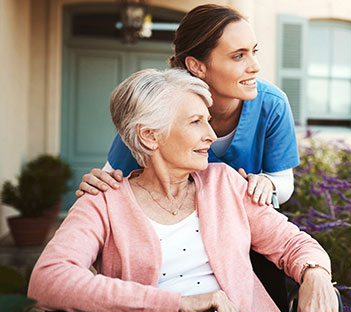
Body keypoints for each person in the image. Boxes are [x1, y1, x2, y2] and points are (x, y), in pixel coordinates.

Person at [28, 69, 340, 312]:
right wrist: (176, 304)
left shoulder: (225, 184)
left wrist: (315, 275)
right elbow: (49, 280)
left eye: (208, 120)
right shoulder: (103, 200)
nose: (210, 134)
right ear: (150, 136)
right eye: (196, 122)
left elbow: (294, 244)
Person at [77, 4, 298, 207]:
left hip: (240, 233)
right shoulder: (157, 104)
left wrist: (269, 183)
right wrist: (98, 183)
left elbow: (283, 181)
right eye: (238, 56)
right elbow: (113, 174)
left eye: (253, 51)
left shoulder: (272, 104)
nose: (255, 67)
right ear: (196, 66)